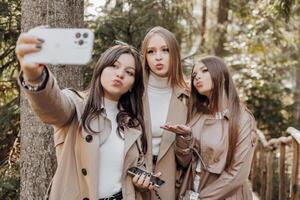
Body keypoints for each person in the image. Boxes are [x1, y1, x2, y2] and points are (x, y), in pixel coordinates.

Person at [15, 30, 150, 200]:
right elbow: (52, 108)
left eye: (129, 72)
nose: (120, 74)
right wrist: (35, 76)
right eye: (114, 65)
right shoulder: (76, 105)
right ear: (101, 69)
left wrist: (141, 181)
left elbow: (132, 167)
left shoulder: (132, 124)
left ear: (132, 85)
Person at [161, 56, 257, 199]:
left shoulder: (243, 119)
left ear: (222, 75)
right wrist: (185, 137)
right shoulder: (197, 115)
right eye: (194, 75)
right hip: (191, 191)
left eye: (204, 71)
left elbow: (237, 174)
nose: (197, 77)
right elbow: (184, 162)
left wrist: (201, 198)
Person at [133, 26, 189, 199]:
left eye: (165, 50)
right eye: (151, 51)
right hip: (133, 179)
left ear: (175, 55)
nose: (158, 57)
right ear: (145, 57)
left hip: (171, 182)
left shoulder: (188, 97)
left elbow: (188, 159)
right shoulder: (132, 91)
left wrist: (184, 138)